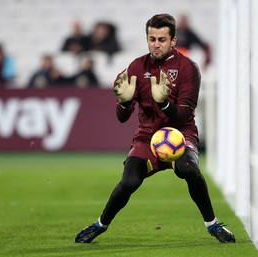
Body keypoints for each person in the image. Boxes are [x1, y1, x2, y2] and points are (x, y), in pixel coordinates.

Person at [74, 13, 236, 244]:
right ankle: (100, 224)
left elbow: (182, 115)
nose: (156, 44)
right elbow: (122, 118)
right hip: (147, 136)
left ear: (173, 41)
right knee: (129, 181)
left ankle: (213, 225)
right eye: (152, 39)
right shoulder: (137, 66)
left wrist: (164, 104)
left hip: (180, 133)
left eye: (161, 39)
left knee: (188, 169)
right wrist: (123, 102)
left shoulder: (188, 68)